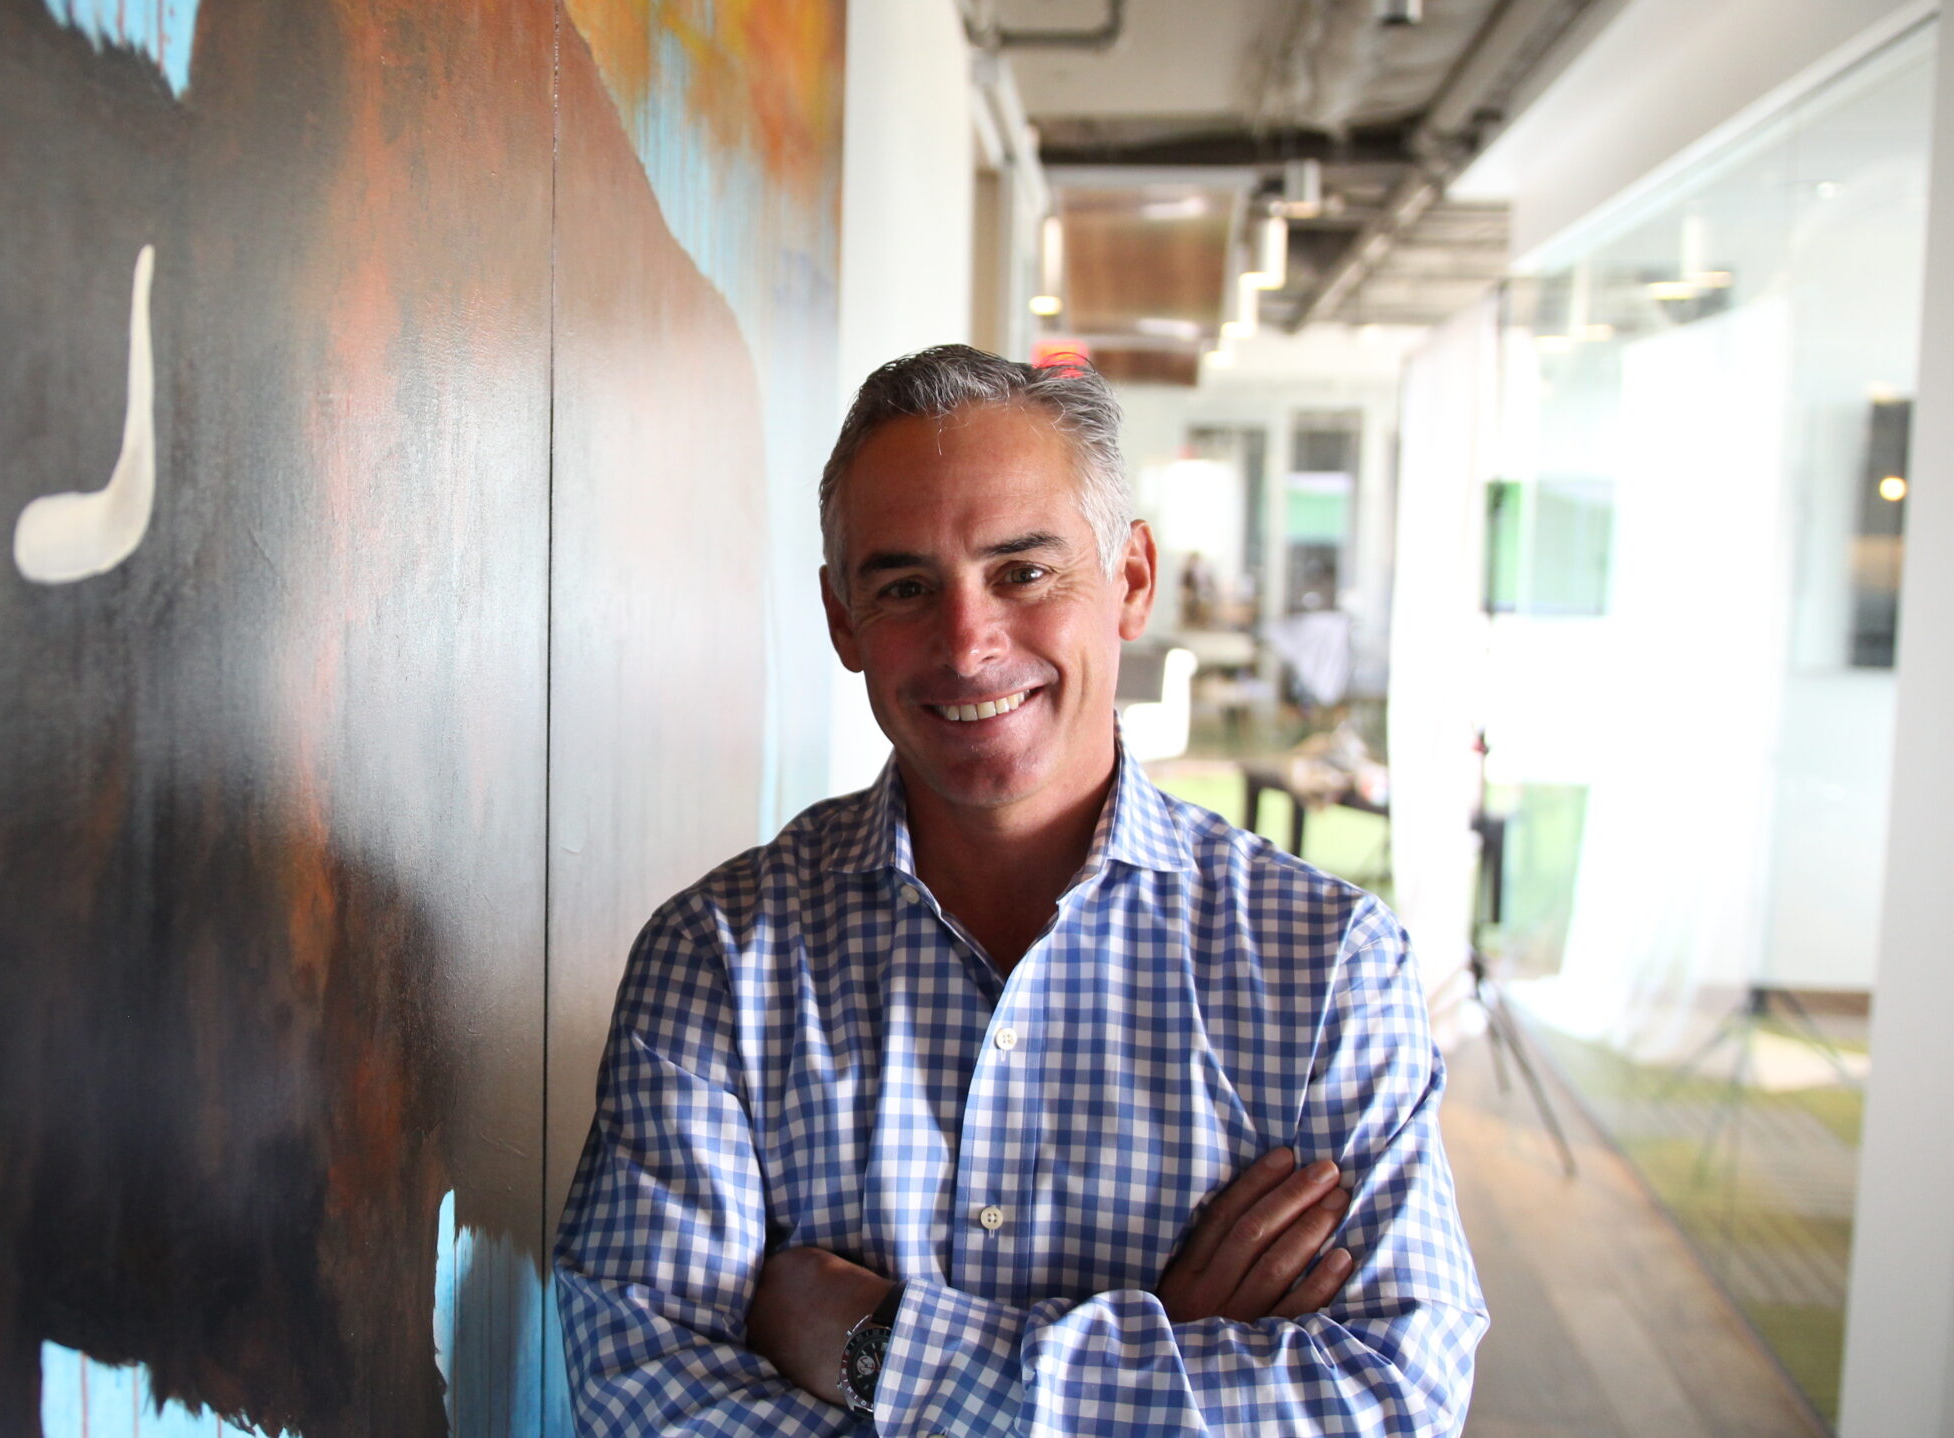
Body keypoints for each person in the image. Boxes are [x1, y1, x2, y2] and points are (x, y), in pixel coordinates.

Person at [553, 344, 1486, 1435]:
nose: (967, 644)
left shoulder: (1325, 965)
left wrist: (880, 1348)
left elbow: (1392, 1397)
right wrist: (1166, 1357)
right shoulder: (717, 961)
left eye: (1023, 572)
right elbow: (643, 1396)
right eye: (905, 587)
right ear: (843, 619)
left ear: (1130, 578)